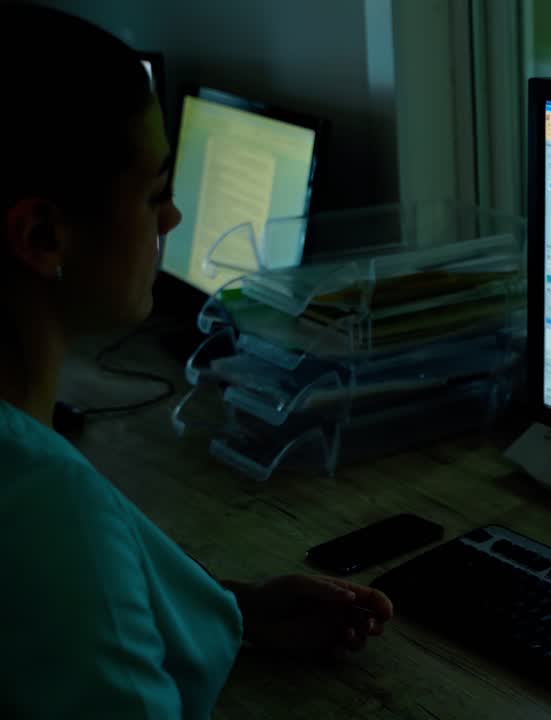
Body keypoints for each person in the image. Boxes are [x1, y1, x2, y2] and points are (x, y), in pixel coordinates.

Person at [0, 6, 394, 718]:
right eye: (156, 193)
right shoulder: (46, 511)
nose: (172, 221)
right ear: (42, 235)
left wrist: (232, 613)